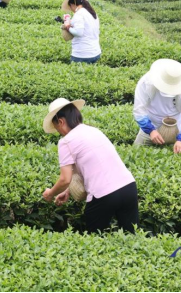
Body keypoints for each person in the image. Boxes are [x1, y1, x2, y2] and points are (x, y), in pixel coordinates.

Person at [41, 98, 139, 234]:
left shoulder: (66, 142)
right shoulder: (94, 131)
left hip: (104, 195)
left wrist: (50, 194)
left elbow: (65, 179)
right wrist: (67, 191)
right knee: (131, 237)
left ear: (61, 122)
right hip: (129, 187)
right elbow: (92, 166)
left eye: (56, 127)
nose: (58, 132)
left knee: (95, 243)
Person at [133, 59, 181, 155]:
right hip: (150, 125)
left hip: (176, 129)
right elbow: (139, 111)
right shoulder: (145, 83)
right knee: (135, 153)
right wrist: (151, 131)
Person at [61, 0, 101, 64]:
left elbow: (79, 33)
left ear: (73, 4)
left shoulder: (79, 14)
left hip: (82, 55)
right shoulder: (92, 12)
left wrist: (68, 27)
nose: (71, 9)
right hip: (95, 52)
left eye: (70, 7)